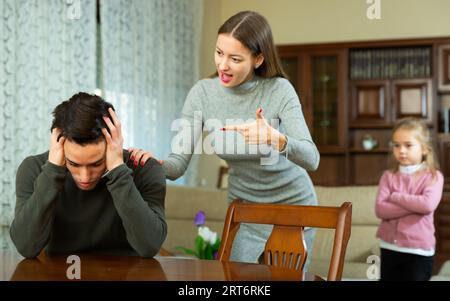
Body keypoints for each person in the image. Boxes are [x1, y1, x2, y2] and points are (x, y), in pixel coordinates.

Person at [131, 11, 320, 267]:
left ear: (258, 59)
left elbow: (312, 159)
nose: (222, 65)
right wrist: (154, 163)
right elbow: (177, 165)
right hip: (244, 209)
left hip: (293, 206)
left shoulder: (279, 91)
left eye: (235, 58)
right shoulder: (202, 94)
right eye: (219, 53)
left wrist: (277, 139)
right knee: (236, 282)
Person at [10, 92, 167, 258]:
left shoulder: (144, 169)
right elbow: (25, 247)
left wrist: (118, 171)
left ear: (114, 142)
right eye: (74, 164)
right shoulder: (33, 169)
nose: (84, 177)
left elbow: (150, 246)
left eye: (96, 163)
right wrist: (52, 171)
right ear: (58, 143)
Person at [375, 117, 443, 281]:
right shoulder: (388, 176)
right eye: (396, 145)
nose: (401, 150)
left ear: (424, 149)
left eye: (408, 145)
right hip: (389, 247)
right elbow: (380, 209)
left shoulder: (433, 176)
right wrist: (415, 204)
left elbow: (427, 205)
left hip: (418, 251)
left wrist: (395, 197)